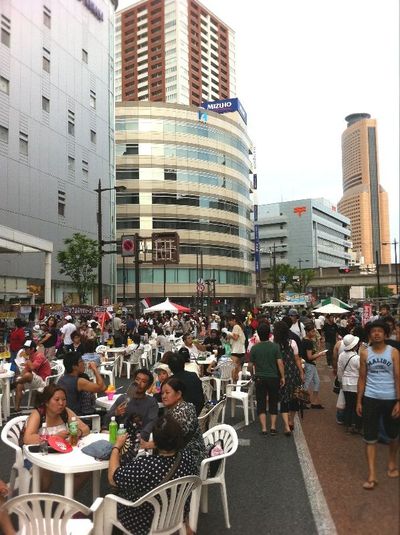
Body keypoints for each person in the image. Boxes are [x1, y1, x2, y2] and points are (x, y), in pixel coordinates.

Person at [108, 414, 197, 535]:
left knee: (109, 499)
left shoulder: (145, 466)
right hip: (176, 515)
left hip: (142, 521)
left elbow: (113, 478)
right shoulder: (188, 457)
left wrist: (116, 447)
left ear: (155, 441)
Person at [356, 320, 400, 490]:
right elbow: (362, 378)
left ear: (385, 334)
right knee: (370, 437)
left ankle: (391, 462)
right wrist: (359, 401)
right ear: (369, 335)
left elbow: (398, 377)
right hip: (370, 398)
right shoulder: (365, 353)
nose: (376, 333)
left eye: (379, 331)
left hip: (390, 398)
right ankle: (372, 475)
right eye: (373, 331)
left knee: (394, 435)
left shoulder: (394, 352)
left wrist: (398, 400)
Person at [23, 384, 90, 491]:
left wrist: (78, 432)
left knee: (85, 470)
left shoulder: (65, 412)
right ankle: (39, 502)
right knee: (45, 473)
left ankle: (66, 500)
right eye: (57, 399)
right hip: (40, 453)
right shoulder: (38, 414)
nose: (61, 403)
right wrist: (54, 437)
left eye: (64, 399)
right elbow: (27, 438)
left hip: (61, 451)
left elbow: (85, 428)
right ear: (46, 402)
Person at [141, 377, 206, 468]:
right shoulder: (186, 406)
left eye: (167, 393)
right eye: (162, 393)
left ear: (179, 394)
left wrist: (147, 445)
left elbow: (169, 441)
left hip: (190, 461)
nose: (163, 396)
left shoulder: (182, 413)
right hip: (190, 453)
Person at [248, 322, 285, 436]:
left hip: (260, 377)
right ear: (269, 334)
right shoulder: (275, 347)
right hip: (273, 378)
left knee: (261, 402)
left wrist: (252, 374)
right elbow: (280, 363)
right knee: (274, 401)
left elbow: (250, 365)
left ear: (258, 334)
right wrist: (283, 377)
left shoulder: (254, 348)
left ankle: (264, 428)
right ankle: (273, 427)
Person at [103, 368, 158, 442]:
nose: (139, 383)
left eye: (143, 381)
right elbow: (106, 421)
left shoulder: (151, 402)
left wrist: (137, 439)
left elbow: (151, 424)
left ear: (148, 386)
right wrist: (115, 413)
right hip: (119, 438)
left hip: (139, 440)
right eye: (137, 379)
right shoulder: (123, 398)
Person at [273, 321, 304, 434]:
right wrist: (301, 372)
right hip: (293, 373)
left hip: (280, 374)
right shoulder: (293, 343)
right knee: (294, 397)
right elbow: (297, 359)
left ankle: (286, 425)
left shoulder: (274, 344)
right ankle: (291, 420)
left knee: (283, 400)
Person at [14, 340, 52, 413]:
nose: (24, 350)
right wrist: (19, 377)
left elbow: (32, 368)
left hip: (43, 380)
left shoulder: (39, 356)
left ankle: (13, 384)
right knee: (19, 384)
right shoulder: (30, 357)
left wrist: (28, 362)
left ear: (32, 349)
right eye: (24, 348)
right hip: (35, 378)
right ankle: (17, 408)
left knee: (28, 375)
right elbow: (25, 370)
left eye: (26, 348)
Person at [337, 334, 361, 434]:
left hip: (345, 383)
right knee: (357, 405)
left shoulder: (342, 355)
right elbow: (362, 371)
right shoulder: (357, 357)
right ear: (354, 345)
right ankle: (356, 426)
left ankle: (348, 426)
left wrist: (341, 382)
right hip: (355, 384)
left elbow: (340, 371)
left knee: (348, 405)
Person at [302, 324, 325, 408]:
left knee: (317, 381)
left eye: (314, 331)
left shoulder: (304, 340)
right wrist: (320, 354)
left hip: (308, 364)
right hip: (309, 364)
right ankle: (303, 401)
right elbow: (310, 357)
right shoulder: (308, 342)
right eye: (312, 331)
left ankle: (314, 401)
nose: (314, 333)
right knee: (307, 383)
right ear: (307, 332)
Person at [224, 314, 246, 382]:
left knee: (233, 367)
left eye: (230, 321)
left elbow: (235, 338)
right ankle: (238, 384)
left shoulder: (236, 326)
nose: (229, 322)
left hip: (236, 350)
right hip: (241, 350)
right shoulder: (239, 327)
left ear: (234, 320)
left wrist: (229, 335)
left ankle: (233, 383)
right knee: (238, 367)